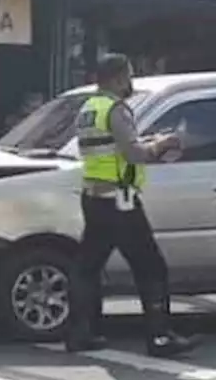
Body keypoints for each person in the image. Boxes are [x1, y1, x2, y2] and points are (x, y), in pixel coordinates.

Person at [69, 54, 198, 358]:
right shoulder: (115, 109)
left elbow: (107, 147)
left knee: (87, 268)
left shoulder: (88, 109)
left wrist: (146, 140)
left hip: (94, 197)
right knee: (151, 267)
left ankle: (79, 333)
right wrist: (162, 144)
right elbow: (132, 154)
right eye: (128, 75)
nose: (131, 81)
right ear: (116, 78)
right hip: (120, 200)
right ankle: (160, 337)